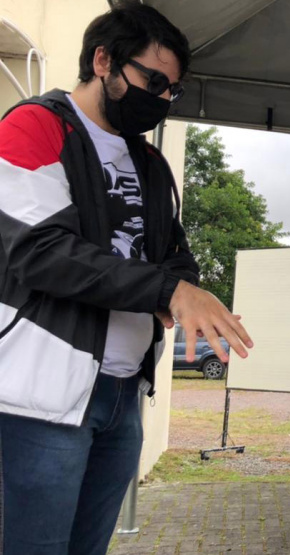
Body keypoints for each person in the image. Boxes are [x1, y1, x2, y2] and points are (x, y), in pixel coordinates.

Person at [0, 3, 253, 554]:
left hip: (121, 394)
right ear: (103, 61)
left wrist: (184, 291)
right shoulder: (33, 126)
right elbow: (41, 251)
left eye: (172, 91)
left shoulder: (152, 165)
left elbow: (173, 256)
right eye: (152, 81)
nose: (162, 99)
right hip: (40, 398)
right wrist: (166, 291)